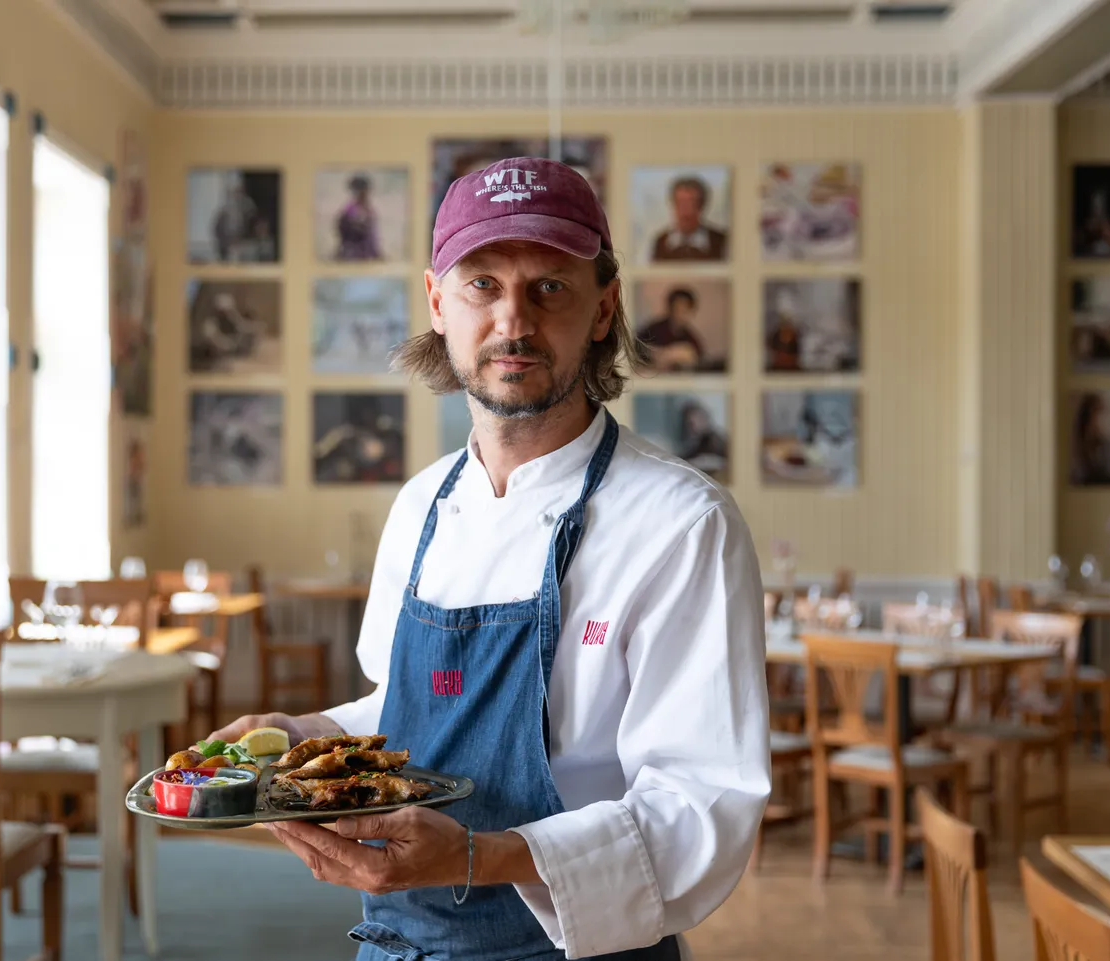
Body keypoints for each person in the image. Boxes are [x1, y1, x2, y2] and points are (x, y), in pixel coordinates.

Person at [212, 156, 769, 960]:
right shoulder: (421, 505)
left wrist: (479, 856)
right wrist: (298, 731)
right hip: (397, 942)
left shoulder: (683, 524)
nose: (514, 321)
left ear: (604, 306)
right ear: (437, 302)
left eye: (550, 286)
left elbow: (701, 807)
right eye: (483, 285)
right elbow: (406, 709)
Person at [649, 175, 727, 262]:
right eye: (681, 203)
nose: (685, 212)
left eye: (691, 204)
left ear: (701, 206)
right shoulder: (661, 242)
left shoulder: (720, 240)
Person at [636, 287, 707, 371]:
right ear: (670, 308)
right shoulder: (654, 329)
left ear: (691, 311)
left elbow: (700, 357)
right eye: (677, 308)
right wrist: (656, 354)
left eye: (685, 310)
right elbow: (635, 347)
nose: (680, 314)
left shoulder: (691, 338)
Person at [336, 174, 383, 261]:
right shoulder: (350, 210)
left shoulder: (368, 209)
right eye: (363, 191)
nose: (366, 193)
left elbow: (373, 238)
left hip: (367, 255)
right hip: (355, 256)